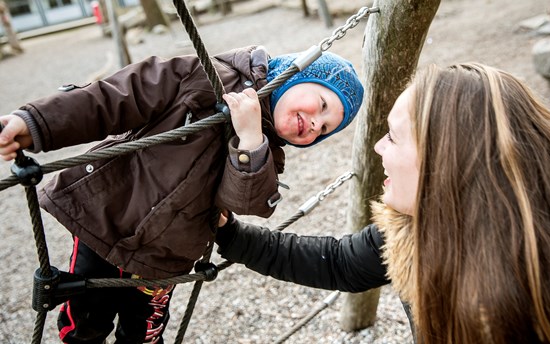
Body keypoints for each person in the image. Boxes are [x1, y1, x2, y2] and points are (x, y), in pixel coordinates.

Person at [215, 62, 550, 344]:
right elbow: (338, 262)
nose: (377, 147)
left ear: (447, 157)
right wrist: (231, 236)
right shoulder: (414, 224)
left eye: (393, 137)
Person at [0, 45, 364, 343]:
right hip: (106, 218)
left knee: (143, 333)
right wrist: (37, 124)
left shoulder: (267, 153)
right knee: (85, 319)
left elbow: (248, 202)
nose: (317, 124)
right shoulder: (204, 76)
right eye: (322, 104)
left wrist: (251, 138)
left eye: (326, 128)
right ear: (294, 76)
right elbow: (115, 98)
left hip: (166, 257)